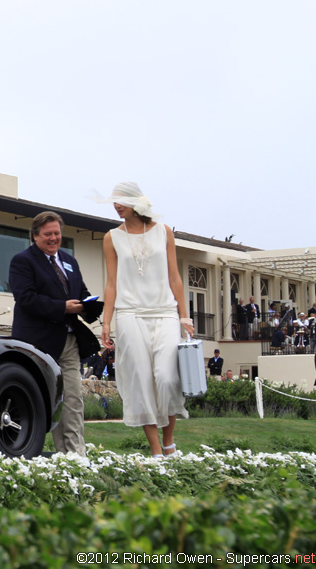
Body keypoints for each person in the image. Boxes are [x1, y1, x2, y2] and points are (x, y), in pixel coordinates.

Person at [100, 182, 191, 458]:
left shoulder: (164, 232)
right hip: (130, 314)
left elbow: (175, 276)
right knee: (140, 378)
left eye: (120, 200)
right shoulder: (111, 237)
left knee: (166, 377)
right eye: (113, 201)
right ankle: (156, 450)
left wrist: (184, 317)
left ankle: (169, 440)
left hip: (164, 312)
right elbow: (112, 284)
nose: (115, 205)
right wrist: (106, 323)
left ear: (135, 201)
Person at [10, 210, 99, 456]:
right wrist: (62, 307)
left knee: (72, 400)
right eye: (48, 234)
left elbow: (80, 290)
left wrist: (89, 305)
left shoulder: (70, 261)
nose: (53, 238)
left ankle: (74, 456)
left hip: (69, 341)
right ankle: (20, 450)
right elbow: (25, 298)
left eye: (57, 233)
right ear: (35, 236)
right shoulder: (23, 261)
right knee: (41, 400)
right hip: (36, 343)